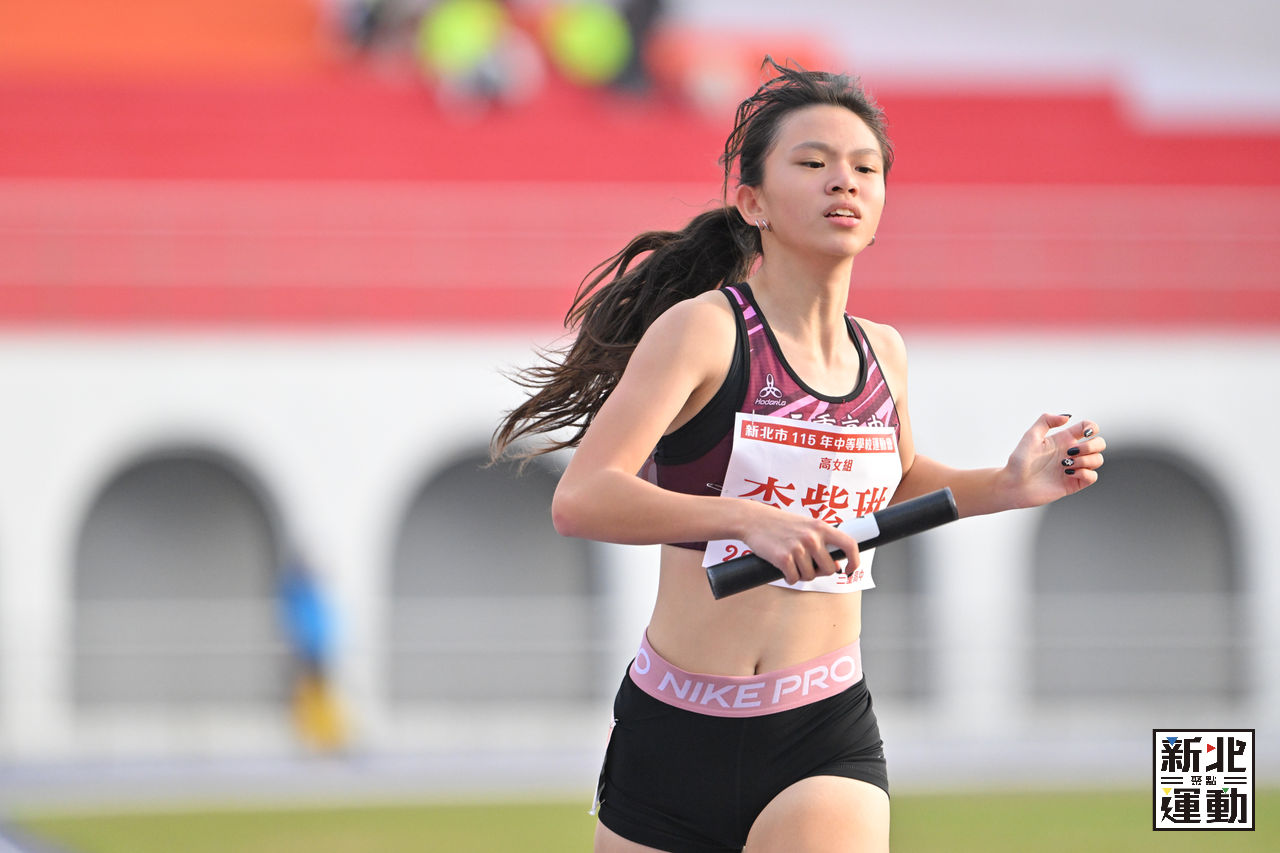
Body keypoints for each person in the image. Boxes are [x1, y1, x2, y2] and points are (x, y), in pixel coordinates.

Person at [492, 58, 1105, 853]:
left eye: (865, 168)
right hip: (673, 730)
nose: (842, 181)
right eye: (813, 163)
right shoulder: (704, 330)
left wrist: (1009, 483)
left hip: (822, 730)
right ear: (753, 202)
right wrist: (749, 520)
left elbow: (892, 482)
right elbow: (582, 498)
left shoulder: (883, 352)